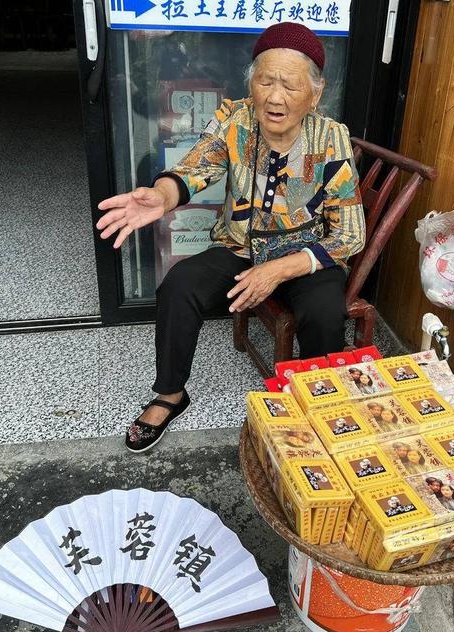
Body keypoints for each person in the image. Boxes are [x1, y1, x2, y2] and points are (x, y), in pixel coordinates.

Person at [96, 23, 365, 452]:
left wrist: (278, 269)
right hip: (239, 247)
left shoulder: (331, 138)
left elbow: (349, 235)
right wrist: (163, 197)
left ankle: (320, 401)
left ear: (314, 94)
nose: (275, 97)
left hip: (304, 255)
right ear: (251, 83)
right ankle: (170, 394)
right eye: (265, 81)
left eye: (290, 86)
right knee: (179, 286)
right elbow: (192, 170)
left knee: (323, 310)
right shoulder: (234, 120)